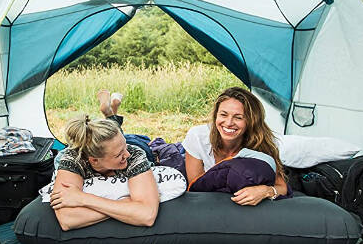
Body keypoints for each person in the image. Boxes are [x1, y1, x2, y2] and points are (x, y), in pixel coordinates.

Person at [48, 91, 160, 231]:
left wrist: (82, 198)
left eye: (124, 149)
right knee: (113, 143)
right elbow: (67, 219)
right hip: (102, 149)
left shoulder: (133, 153)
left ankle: (110, 115)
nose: (127, 155)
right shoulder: (72, 159)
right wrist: (127, 204)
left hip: (134, 143)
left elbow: (146, 215)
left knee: (136, 142)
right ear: (94, 161)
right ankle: (110, 113)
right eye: (119, 155)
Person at [183, 86, 289, 206]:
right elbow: (196, 189)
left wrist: (265, 191)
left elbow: (282, 187)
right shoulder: (198, 137)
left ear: (251, 121)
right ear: (216, 115)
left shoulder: (262, 144)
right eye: (223, 115)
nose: (228, 123)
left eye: (238, 117)